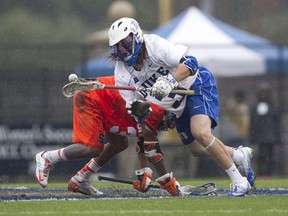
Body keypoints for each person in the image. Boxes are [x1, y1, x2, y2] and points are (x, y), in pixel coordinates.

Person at [108, 17, 256, 196]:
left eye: (125, 43)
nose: (122, 50)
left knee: (200, 133)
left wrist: (170, 80)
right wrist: (145, 113)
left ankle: (239, 181)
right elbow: (140, 115)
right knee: (197, 149)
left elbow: (191, 63)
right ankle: (240, 156)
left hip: (194, 86)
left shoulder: (154, 45)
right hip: (175, 105)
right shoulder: (121, 73)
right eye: (118, 47)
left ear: (136, 36)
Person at [35, 76, 179, 196]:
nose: (168, 126)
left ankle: (80, 179)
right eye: (171, 122)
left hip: (109, 105)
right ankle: (48, 157)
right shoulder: (157, 110)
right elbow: (152, 149)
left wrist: (143, 172)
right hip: (94, 96)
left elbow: (143, 141)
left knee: (120, 143)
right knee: (91, 148)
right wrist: (166, 181)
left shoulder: (155, 111)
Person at [250, 82, 281, 177]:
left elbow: (276, 122)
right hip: (260, 136)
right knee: (261, 156)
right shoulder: (255, 107)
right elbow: (253, 123)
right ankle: (262, 173)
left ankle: (269, 172)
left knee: (270, 155)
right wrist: (252, 136)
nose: (263, 95)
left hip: (270, 136)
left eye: (265, 92)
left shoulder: (273, 106)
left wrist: (277, 136)